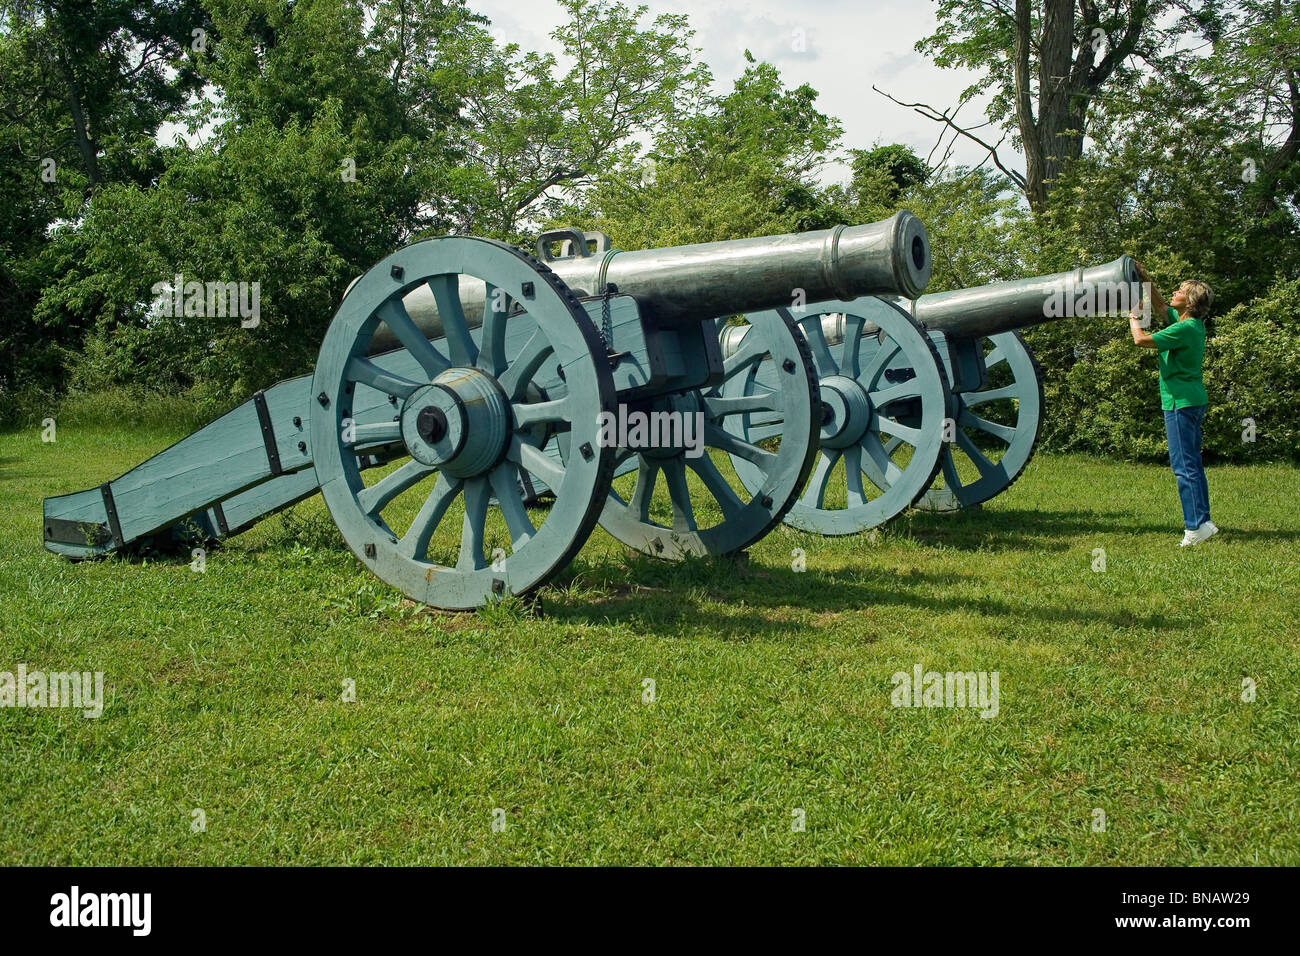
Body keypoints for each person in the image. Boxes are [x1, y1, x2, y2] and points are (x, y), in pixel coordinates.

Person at [1128, 265, 1217, 546]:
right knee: (1193, 465)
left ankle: (1194, 528)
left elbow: (1140, 339)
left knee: (1184, 467)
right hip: (1191, 399)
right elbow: (1160, 304)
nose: (1175, 291)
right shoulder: (1189, 323)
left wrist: (1133, 317)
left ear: (1189, 302)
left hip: (1180, 403)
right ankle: (1203, 522)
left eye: (1181, 290)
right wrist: (1144, 278)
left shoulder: (1183, 329)